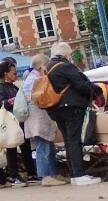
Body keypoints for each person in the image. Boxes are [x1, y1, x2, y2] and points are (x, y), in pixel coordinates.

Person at [43, 42, 99, 186]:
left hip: (56, 109)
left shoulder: (48, 67)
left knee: (69, 141)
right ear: (66, 54)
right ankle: (80, 175)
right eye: (70, 54)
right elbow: (81, 85)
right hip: (71, 107)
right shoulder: (65, 66)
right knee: (74, 141)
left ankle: (74, 174)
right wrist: (95, 91)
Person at [20, 55, 64, 186]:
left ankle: (53, 174)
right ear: (41, 66)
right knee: (43, 147)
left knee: (47, 146)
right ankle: (46, 176)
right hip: (38, 117)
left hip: (36, 117)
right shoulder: (37, 78)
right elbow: (40, 98)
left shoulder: (30, 77)